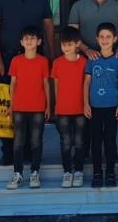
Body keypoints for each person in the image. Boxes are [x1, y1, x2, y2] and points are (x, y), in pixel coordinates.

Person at [0, 0, 55, 166]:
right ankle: (8, 151)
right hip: (8, 60)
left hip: (35, 60)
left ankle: (28, 150)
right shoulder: (0, 0)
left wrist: (52, 55)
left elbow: (49, 28)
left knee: (32, 105)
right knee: (7, 106)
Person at [5, 26, 51, 190]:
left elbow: (46, 84)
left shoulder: (43, 61)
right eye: (26, 38)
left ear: (39, 42)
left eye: (32, 38)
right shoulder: (16, 61)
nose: (29, 41)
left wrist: (48, 106)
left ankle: (35, 172)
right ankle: (17, 173)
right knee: (18, 141)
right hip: (19, 107)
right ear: (21, 42)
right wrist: (11, 105)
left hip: (38, 107)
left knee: (36, 141)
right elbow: (13, 84)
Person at [83, 22, 118, 188]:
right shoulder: (92, 59)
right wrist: (86, 104)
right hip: (94, 107)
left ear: (115, 39)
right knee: (96, 141)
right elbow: (87, 83)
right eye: (102, 37)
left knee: (110, 141)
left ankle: (110, 172)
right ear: (97, 39)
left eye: (108, 37)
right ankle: (97, 173)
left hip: (112, 107)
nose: (105, 40)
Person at [51, 27, 88, 188]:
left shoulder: (84, 62)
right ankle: (67, 171)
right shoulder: (57, 63)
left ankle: (78, 170)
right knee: (65, 142)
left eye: (70, 44)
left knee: (79, 142)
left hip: (80, 109)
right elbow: (56, 86)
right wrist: (56, 106)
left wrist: (87, 105)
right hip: (63, 110)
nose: (66, 47)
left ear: (77, 44)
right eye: (63, 44)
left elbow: (87, 85)